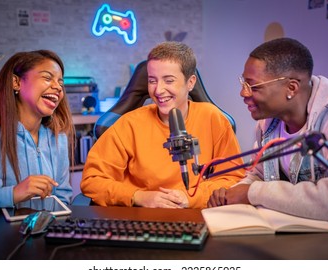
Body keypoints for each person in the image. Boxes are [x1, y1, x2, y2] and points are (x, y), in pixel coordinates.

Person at [208, 37, 328, 224]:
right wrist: (234, 192)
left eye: (253, 86)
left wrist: (252, 192)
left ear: (291, 87)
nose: (243, 93)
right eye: (243, 83)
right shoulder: (267, 124)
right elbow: (259, 175)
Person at [81, 41, 245, 208]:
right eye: (152, 81)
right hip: (144, 219)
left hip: (197, 217)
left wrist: (189, 197)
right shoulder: (128, 124)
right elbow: (92, 181)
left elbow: (233, 178)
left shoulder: (213, 118)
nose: (158, 90)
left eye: (168, 80)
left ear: (190, 82)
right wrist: (138, 197)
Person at [0, 50, 75, 215]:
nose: (58, 87)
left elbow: (63, 196)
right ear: (16, 82)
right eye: (47, 78)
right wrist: (11, 194)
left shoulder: (58, 138)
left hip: (46, 236)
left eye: (61, 83)